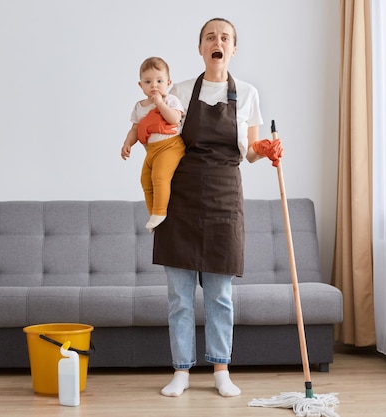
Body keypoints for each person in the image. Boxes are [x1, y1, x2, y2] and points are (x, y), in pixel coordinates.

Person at [152, 17, 281, 397]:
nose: (217, 41)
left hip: (225, 197)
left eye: (224, 37)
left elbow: (252, 150)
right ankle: (181, 371)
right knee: (179, 295)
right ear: (201, 47)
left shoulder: (248, 93)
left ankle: (221, 369)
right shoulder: (178, 90)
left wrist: (268, 150)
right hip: (182, 196)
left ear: (233, 48)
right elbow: (162, 140)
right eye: (210, 36)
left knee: (220, 295)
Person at [121, 57, 185, 232]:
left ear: (168, 82)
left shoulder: (170, 100)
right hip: (151, 151)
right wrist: (128, 143)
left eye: (159, 81)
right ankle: (154, 218)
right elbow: (135, 129)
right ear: (141, 85)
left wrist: (160, 103)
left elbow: (175, 119)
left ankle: (160, 212)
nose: (154, 85)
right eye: (148, 82)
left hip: (171, 146)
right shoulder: (139, 106)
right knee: (145, 181)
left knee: (159, 176)